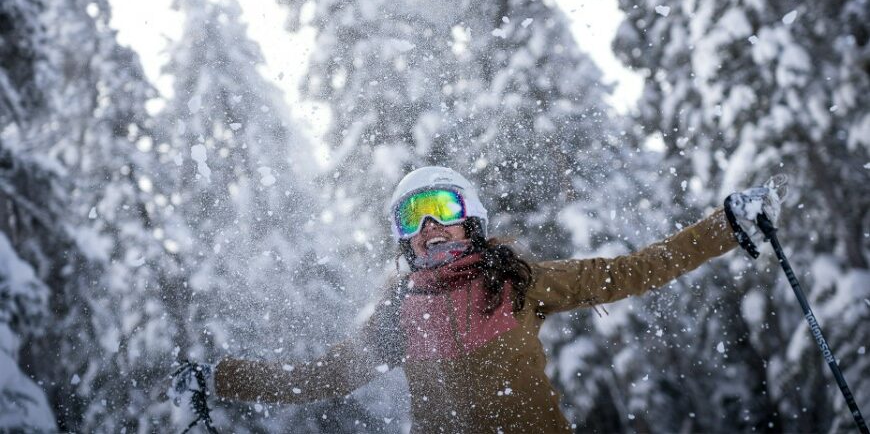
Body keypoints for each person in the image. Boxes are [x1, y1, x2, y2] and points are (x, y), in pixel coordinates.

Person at [170, 166, 784, 433]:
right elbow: (319, 377)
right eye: (414, 217)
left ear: (474, 221)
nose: (430, 226)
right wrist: (220, 378)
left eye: (443, 209)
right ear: (403, 239)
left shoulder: (517, 283)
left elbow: (625, 272)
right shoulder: (397, 318)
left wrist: (722, 229)